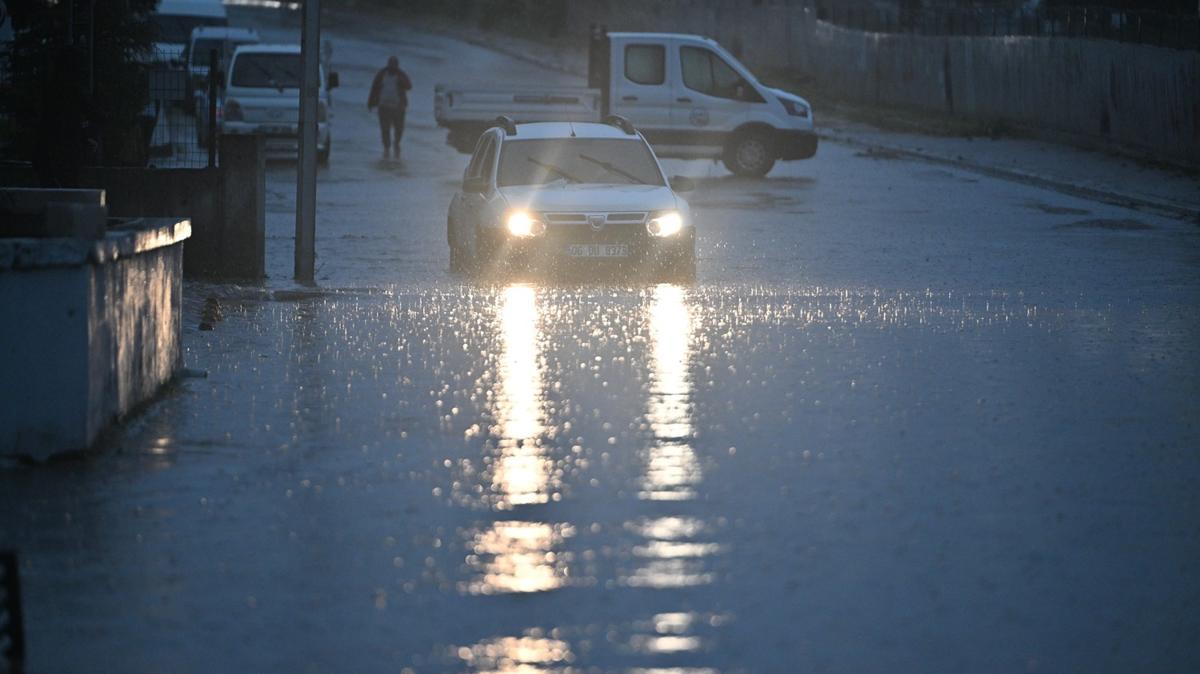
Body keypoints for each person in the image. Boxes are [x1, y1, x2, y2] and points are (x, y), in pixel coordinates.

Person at [367, 55, 412, 159]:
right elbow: (374, 88)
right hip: (383, 106)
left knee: (399, 128)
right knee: (385, 128)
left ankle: (396, 143)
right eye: (390, 64)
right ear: (388, 64)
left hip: (398, 107)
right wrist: (370, 103)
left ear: (397, 65)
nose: (392, 66)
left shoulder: (401, 75)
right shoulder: (382, 74)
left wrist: (401, 76)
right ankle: (386, 147)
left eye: (394, 64)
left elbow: (409, 86)